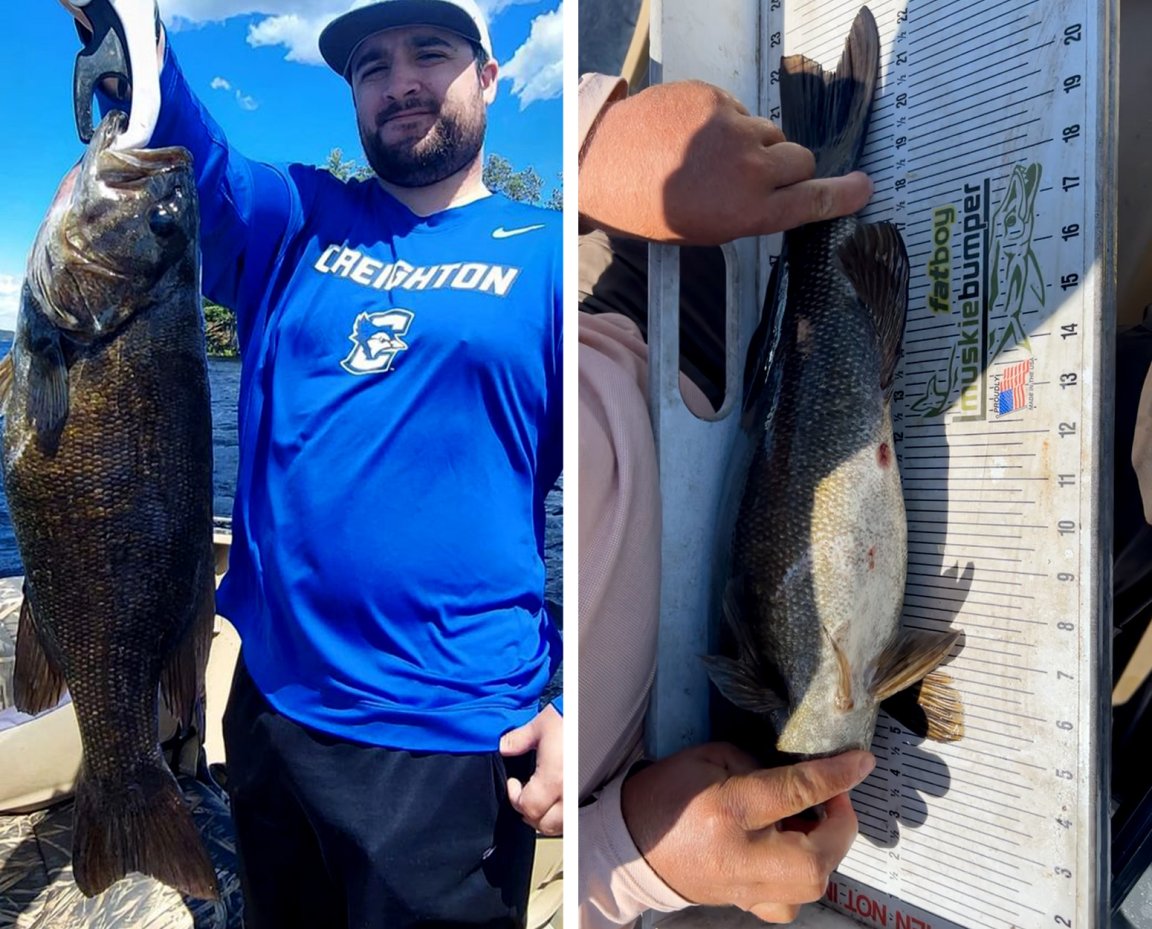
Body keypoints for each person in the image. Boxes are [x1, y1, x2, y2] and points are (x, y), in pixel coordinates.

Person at [58, 1, 564, 927]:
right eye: (372, 66)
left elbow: (617, 498)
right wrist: (116, 24)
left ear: (490, 77)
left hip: (450, 739)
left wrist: (582, 703)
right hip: (271, 713)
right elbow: (186, 159)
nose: (400, 80)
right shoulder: (301, 217)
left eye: (432, 54)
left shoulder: (548, 257)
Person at [577, 76, 877, 927]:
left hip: (628, 327)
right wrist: (624, 861)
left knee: (745, 149)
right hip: (675, 730)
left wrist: (594, 143)